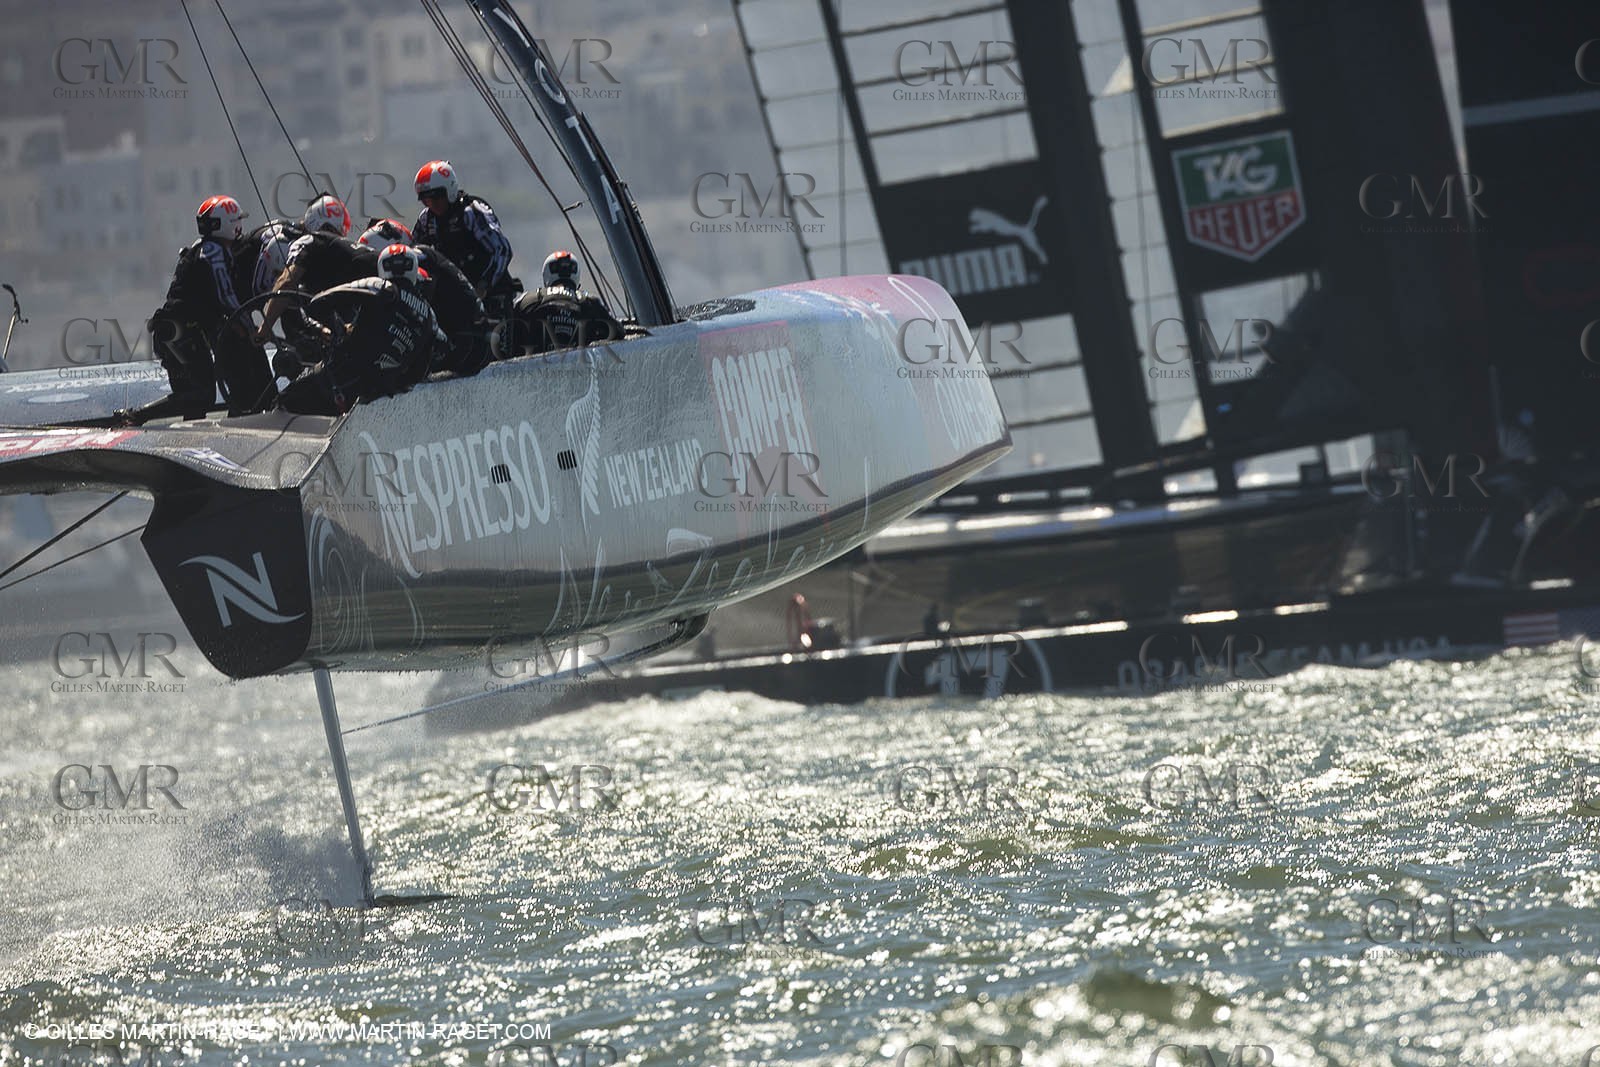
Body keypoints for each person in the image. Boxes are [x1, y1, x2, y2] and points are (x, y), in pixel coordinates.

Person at [116, 195, 275, 423]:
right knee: (200, 396)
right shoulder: (214, 253)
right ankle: (134, 417)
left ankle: (178, 435)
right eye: (237, 221)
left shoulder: (203, 249)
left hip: (172, 333)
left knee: (196, 401)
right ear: (229, 225)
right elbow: (227, 297)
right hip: (179, 335)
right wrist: (252, 330)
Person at [276, 244, 447, 415]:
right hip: (376, 399)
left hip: (336, 378)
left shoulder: (379, 285)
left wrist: (335, 330)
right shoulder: (429, 316)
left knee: (283, 402)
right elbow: (422, 369)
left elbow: (321, 301)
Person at [411, 160, 520, 318]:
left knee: (494, 340)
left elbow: (502, 250)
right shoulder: (427, 219)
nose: (432, 204)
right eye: (426, 200)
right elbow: (414, 250)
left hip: (490, 296)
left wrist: (483, 286)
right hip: (457, 299)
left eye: (436, 198)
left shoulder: (472, 212)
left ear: (449, 191)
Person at [506, 249, 622, 358]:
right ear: (576, 275)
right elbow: (619, 332)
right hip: (577, 373)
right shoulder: (590, 302)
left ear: (546, 274)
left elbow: (505, 333)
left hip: (531, 374)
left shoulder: (527, 300)